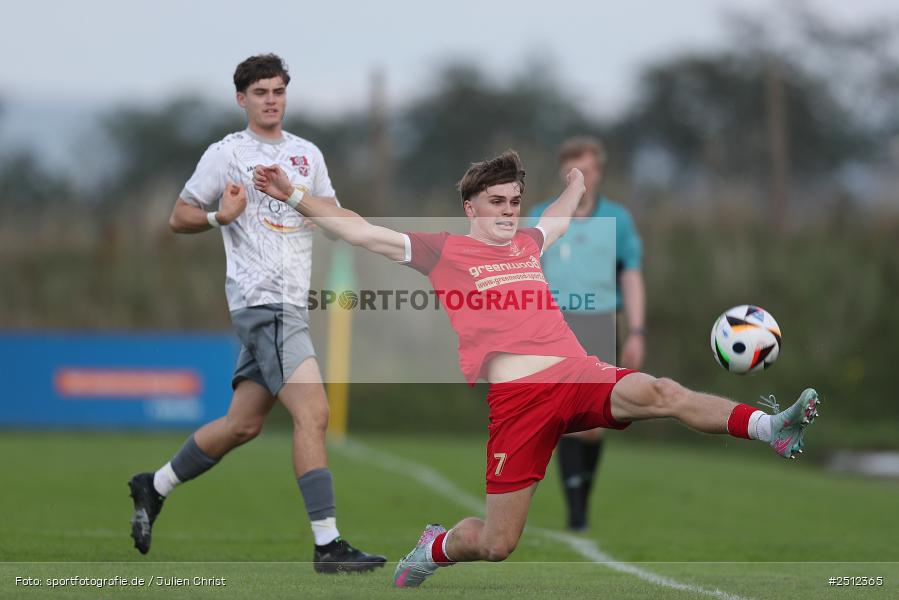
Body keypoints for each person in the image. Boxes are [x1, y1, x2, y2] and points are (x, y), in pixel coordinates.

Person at [251, 150, 819, 589]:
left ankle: (772, 428)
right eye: (496, 201)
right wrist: (294, 192)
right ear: (471, 208)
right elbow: (355, 228)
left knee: (661, 391)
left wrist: (575, 186)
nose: (508, 211)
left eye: (514, 201)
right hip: (518, 404)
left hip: (577, 375)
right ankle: (436, 547)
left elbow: (558, 220)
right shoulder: (441, 251)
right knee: (497, 544)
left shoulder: (527, 242)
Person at [127, 53, 386, 574]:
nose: (271, 100)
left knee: (242, 425)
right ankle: (327, 545)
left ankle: (154, 485)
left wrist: (314, 205)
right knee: (314, 413)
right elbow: (178, 216)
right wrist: (218, 216)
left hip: (290, 304)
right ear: (241, 99)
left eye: (278, 91)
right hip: (263, 302)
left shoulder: (307, 154)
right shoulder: (226, 153)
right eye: (261, 92)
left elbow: (334, 216)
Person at [529, 136, 645, 531]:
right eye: (574, 170)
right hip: (555, 325)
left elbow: (630, 275)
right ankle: (577, 515)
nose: (582, 177)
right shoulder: (541, 216)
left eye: (589, 169)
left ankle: (581, 500)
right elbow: (524, 272)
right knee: (568, 415)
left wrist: (637, 331)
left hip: (600, 322)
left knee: (595, 425)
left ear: (599, 172)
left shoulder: (618, 220)